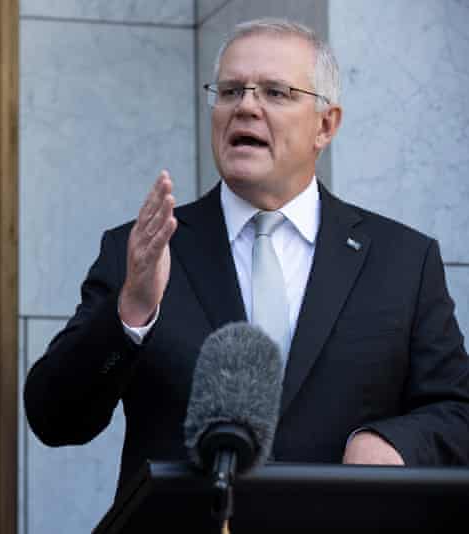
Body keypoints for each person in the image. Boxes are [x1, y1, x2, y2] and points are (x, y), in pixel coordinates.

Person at [24, 18, 469, 497]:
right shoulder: (143, 251)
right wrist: (130, 312)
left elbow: (457, 412)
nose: (246, 107)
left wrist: (391, 443)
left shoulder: (402, 260)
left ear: (325, 125)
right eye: (231, 91)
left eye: (275, 93)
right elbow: (55, 418)